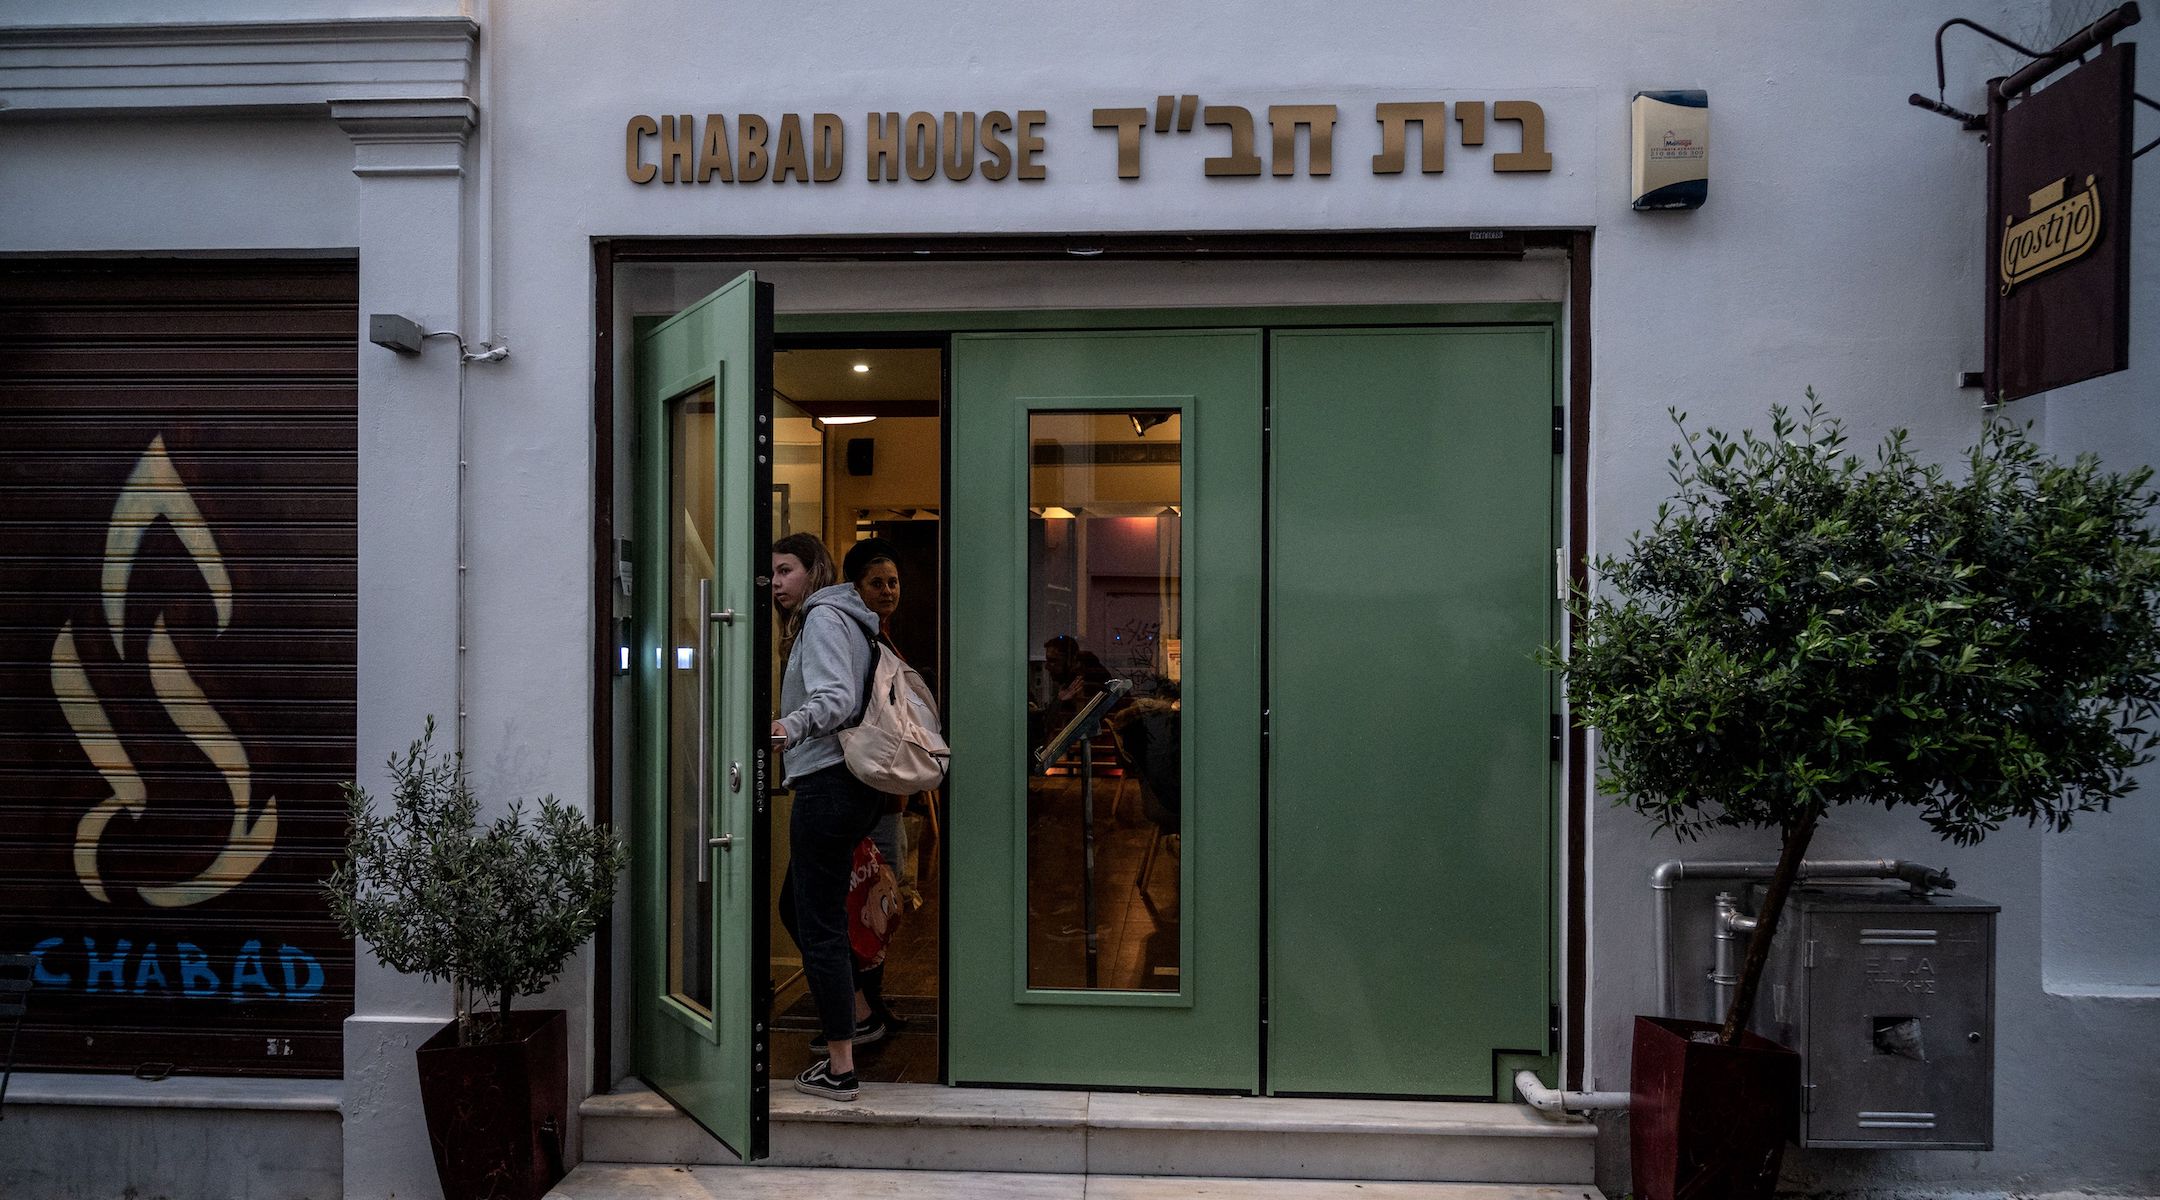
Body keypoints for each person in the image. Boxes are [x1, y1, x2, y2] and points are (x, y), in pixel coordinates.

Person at [770, 531, 883, 1102]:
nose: (777, 582)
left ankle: (841, 1065)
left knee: (819, 925)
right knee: (800, 905)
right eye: (772, 574)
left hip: (828, 785)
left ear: (815, 569)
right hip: (851, 785)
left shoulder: (822, 619)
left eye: (786, 569)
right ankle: (858, 1009)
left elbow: (835, 698)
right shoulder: (853, 618)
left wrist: (785, 727)